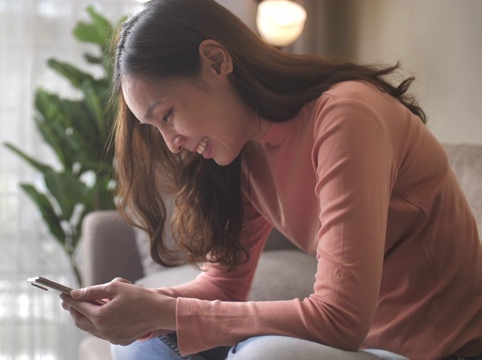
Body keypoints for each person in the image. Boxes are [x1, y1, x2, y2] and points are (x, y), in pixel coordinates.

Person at [60, 0, 482, 359]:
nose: (171, 144)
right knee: (136, 346)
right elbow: (223, 286)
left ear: (217, 61)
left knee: (263, 355)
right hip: (362, 348)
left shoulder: (346, 116)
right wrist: (140, 307)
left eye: (167, 115)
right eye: (155, 128)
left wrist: (164, 314)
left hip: (439, 349)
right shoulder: (244, 151)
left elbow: (341, 318)